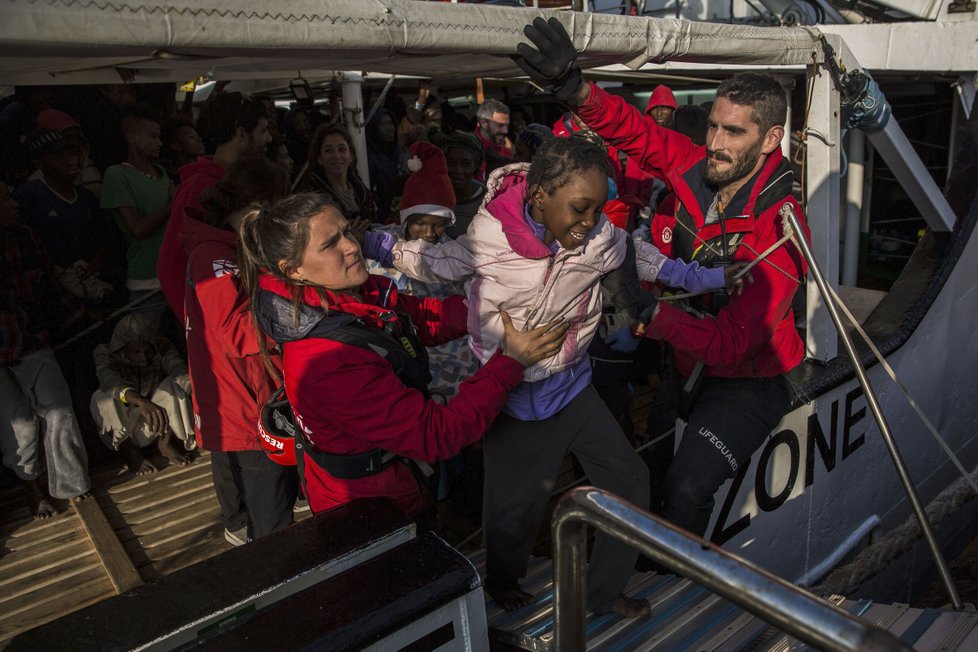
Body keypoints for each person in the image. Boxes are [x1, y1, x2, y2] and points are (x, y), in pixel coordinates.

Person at [367, 136, 741, 616]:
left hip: (573, 387)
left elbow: (634, 253)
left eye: (598, 210)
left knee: (630, 479)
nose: (590, 224)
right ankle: (502, 584)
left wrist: (701, 277)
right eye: (580, 210)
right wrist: (384, 247)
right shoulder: (487, 240)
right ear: (539, 196)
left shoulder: (598, 234)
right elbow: (434, 263)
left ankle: (602, 592)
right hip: (512, 396)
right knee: (513, 509)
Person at [515, 17, 810, 540]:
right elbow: (635, 130)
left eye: (733, 132)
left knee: (688, 487)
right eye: (714, 125)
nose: (715, 142)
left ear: (770, 139)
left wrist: (650, 313)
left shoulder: (781, 228)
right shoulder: (700, 164)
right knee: (650, 471)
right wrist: (574, 89)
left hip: (750, 381)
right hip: (686, 366)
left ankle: (688, 589)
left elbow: (735, 344)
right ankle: (649, 563)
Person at [239, 192, 568, 521]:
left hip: (395, 476)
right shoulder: (327, 360)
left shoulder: (347, 295)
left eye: (346, 231)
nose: (352, 246)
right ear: (293, 270)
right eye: (330, 244)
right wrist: (509, 363)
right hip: (370, 509)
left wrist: (491, 306)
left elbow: (417, 319)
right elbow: (435, 435)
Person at [181, 156, 293, 546]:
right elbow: (239, 332)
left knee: (261, 505)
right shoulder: (214, 256)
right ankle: (279, 589)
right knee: (272, 518)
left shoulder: (224, 246)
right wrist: (301, 314)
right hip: (245, 403)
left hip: (242, 395)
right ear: (260, 206)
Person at [0, 183, 90, 518]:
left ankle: (71, 485)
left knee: (59, 411)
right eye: (5, 199)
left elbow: (46, 287)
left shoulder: (23, 236)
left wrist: (78, 313)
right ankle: (32, 488)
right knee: (19, 425)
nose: (14, 204)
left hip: (32, 340)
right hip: (2, 352)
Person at [157, 92, 271, 320]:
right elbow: (170, 266)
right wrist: (201, 331)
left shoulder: (230, 181)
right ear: (241, 133)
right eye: (263, 131)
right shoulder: (199, 188)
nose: (268, 139)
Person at [14, 128, 112, 304]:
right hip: (55, 293)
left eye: (71, 153)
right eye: (58, 157)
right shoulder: (29, 196)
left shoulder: (85, 196)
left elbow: (103, 234)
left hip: (93, 282)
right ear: (39, 163)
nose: (70, 162)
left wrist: (97, 260)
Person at [91, 313, 194, 475]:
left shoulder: (163, 347)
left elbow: (179, 372)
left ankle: (165, 444)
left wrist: (195, 393)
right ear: (123, 349)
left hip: (157, 423)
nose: (143, 358)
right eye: (136, 352)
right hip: (126, 430)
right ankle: (131, 454)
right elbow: (108, 380)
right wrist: (140, 401)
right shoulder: (105, 353)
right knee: (102, 398)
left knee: (174, 384)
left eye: (148, 351)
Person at [101, 110, 173, 313]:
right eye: (153, 136)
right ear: (132, 138)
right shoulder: (117, 175)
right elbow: (137, 228)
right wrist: (173, 206)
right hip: (146, 281)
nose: (159, 143)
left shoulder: (161, 172)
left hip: (172, 273)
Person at [297, 123, 376, 224]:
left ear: (351, 156)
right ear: (319, 158)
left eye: (342, 149)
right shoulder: (313, 197)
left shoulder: (363, 193)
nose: (337, 155)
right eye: (329, 150)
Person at [442, 133, 486, 238]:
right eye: (451, 162)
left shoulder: (487, 200)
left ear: (476, 166)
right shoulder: (432, 195)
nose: (458, 170)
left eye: (466, 164)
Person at [365, 109, 402, 222]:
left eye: (391, 123)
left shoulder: (395, 153)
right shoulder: (368, 158)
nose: (390, 128)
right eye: (383, 124)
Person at [474, 98, 513, 177]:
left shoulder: (507, 148)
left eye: (507, 125)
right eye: (500, 125)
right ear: (484, 123)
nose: (506, 131)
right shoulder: (469, 150)